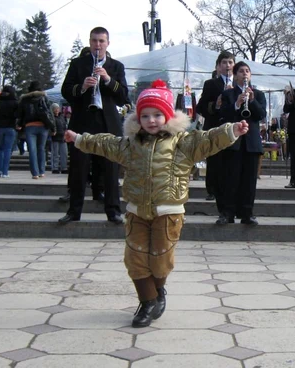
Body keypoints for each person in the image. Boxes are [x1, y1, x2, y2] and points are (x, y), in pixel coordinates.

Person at [64, 80, 248, 327]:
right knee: (135, 258)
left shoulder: (183, 142)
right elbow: (104, 143)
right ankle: (148, 301)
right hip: (137, 210)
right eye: (146, 116)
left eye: (157, 114)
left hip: (168, 211)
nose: (151, 120)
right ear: (138, 119)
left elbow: (208, 139)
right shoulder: (130, 145)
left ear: (168, 116)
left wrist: (231, 130)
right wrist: (78, 139)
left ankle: (158, 291)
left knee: (160, 258)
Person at [59, 26, 129, 225]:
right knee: (79, 168)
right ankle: (74, 211)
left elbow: (123, 95)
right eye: (94, 41)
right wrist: (82, 87)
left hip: (108, 122)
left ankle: (113, 211)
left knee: (110, 168)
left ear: (108, 43)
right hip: (83, 120)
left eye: (101, 41)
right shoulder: (78, 64)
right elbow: (66, 91)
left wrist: (107, 79)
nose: (98, 45)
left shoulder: (116, 66)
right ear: (90, 42)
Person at [218, 61, 266, 225]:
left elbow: (260, 115)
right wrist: (237, 103)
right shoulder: (228, 94)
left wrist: (251, 101)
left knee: (249, 180)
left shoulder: (258, 94)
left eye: (247, 71)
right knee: (230, 178)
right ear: (235, 75)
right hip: (233, 141)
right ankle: (227, 213)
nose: (244, 74)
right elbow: (223, 115)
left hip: (251, 142)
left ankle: (247, 213)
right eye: (241, 71)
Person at [196, 51, 235, 204]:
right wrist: (215, 105)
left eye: (230, 62)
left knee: (231, 160)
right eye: (224, 62)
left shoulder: (241, 83)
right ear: (218, 66)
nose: (227, 66)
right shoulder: (210, 84)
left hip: (232, 127)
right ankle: (212, 190)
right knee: (214, 159)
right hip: (214, 126)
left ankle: (230, 189)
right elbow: (201, 107)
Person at [17, 81, 55, 179]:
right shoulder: (44, 98)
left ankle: (35, 173)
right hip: (43, 126)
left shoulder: (24, 100)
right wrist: (53, 127)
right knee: (41, 149)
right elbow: (50, 114)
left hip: (30, 126)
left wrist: (19, 124)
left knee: (32, 150)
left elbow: (20, 114)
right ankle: (42, 171)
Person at [0, 86, 19, 178]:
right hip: (10, 127)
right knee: (8, 149)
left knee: (1, 149)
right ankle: (5, 172)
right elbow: (18, 115)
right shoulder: (15, 102)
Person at [50, 103, 69, 174]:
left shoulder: (62, 117)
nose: (56, 110)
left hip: (62, 137)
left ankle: (64, 167)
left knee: (64, 153)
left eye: (57, 108)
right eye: (55, 108)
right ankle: (55, 168)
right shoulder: (51, 117)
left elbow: (64, 126)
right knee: (55, 154)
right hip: (55, 138)